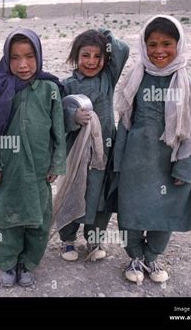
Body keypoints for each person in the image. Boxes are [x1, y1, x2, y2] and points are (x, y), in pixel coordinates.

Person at [0, 28, 66, 288]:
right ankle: (8, 263)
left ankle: (28, 263)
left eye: (29, 56)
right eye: (14, 57)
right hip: (7, 171)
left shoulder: (50, 89)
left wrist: (57, 163)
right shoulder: (0, 88)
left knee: (38, 221)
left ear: (39, 55)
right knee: (6, 219)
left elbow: (59, 130)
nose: (22, 64)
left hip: (38, 171)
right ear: (6, 59)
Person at [114, 15, 191, 284]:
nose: (158, 50)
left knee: (165, 213)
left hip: (170, 163)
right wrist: (118, 163)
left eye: (166, 43)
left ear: (179, 44)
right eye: (151, 44)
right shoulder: (136, 78)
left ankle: (152, 257)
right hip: (135, 162)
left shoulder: (187, 83)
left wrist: (184, 169)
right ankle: (135, 257)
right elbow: (125, 123)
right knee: (131, 211)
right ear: (143, 45)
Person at [56, 28, 129, 262]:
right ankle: (67, 240)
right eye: (85, 55)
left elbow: (123, 49)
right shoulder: (67, 84)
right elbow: (58, 115)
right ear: (75, 57)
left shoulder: (108, 78)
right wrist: (73, 117)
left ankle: (94, 241)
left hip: (104, 152)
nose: (91, 61)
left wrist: (103, 34)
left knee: (100, 198)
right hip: (76, 153)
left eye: (98, 56)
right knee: (72, 192)